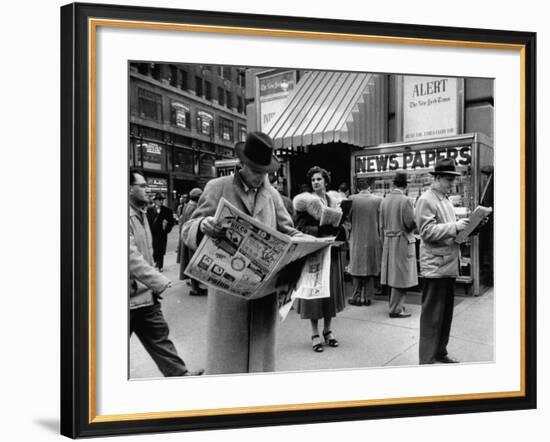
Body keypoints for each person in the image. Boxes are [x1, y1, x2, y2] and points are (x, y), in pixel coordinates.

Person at [182, 132, 301, 374]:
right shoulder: (218, 187)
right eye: (256, 172)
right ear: (242, 165)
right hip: (229, 295)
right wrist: (202, 225)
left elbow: (289, 231)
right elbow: (187, 228)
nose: (261, 178)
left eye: (265, 173)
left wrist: (307, 243)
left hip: (263, 293)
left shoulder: (272, 195)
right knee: (228, 364)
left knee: (259, 365)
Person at [129, 171, 203, 377]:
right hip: (128, 299)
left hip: (145, 296)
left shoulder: (141, 213)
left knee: (160, 338)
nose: (148, 189)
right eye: (142, 186)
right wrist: (159, 281)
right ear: (128, 189)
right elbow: (129, 257)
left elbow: (146, 253)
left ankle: (181, 376)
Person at [415, 158, 469, 364]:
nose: (451, 184)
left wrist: (466, 229)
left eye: (452, 180)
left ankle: (439, 351)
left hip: (447, 264)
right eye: (448, 180)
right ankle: (427, 359)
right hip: (436, 265)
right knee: (432, 316)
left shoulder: (444, 199)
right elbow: (426, 232)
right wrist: (455, 227)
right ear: (436, 178)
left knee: (445, 314)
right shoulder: (426, 200)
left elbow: (444, 230)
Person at [293, 166, 346, 353]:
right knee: (316, 293)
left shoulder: (334, 200)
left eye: (319, 179)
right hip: (314, 251)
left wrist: (339, 228)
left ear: (325, 181)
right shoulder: (305, 203)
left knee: (329, 292)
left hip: (332, 251)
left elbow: (344, 224)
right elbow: (298, 228)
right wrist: (319, 230)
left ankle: (328, 331)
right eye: (313, 180)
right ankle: (315, 333)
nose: (316, 182)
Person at [380, 171, 418, 318]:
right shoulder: (406, 200)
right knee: (401, 276)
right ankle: (396, 309)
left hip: (388, 241)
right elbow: (409, 224)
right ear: (406, 185)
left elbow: (381, 224)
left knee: (392, 274)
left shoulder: (384, 200)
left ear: (393, 184)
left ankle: (394, 305)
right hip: (402, 240)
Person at [347, 177, 382, 307]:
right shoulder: (378, 200)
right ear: (369, 187)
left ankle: (356, 297)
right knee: (370, 267)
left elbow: (346, 218)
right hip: (373, 237)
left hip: (356, 237)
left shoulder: (351, 199)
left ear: (357, 188)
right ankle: (368, 297)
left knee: (356, 268)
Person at [178, 187, 206, 296]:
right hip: (192, 239)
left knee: (190, 261)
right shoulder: (194, 207)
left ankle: (194, 284)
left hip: (187, 238)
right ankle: (195, 288)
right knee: (194, 262)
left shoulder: (187, 206)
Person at [146, 192, 175, 272]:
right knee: (154, 249)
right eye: (159, 200)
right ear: (155, 201)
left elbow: (171, 222)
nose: (161, 202)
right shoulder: (150, 210)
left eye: (162, 200)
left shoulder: (167, 211)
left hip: (162, 234)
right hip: (152, 233)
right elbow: (147, 221)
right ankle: (155, 262)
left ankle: (160, 266)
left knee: (161, 250)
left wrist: (166, 227)